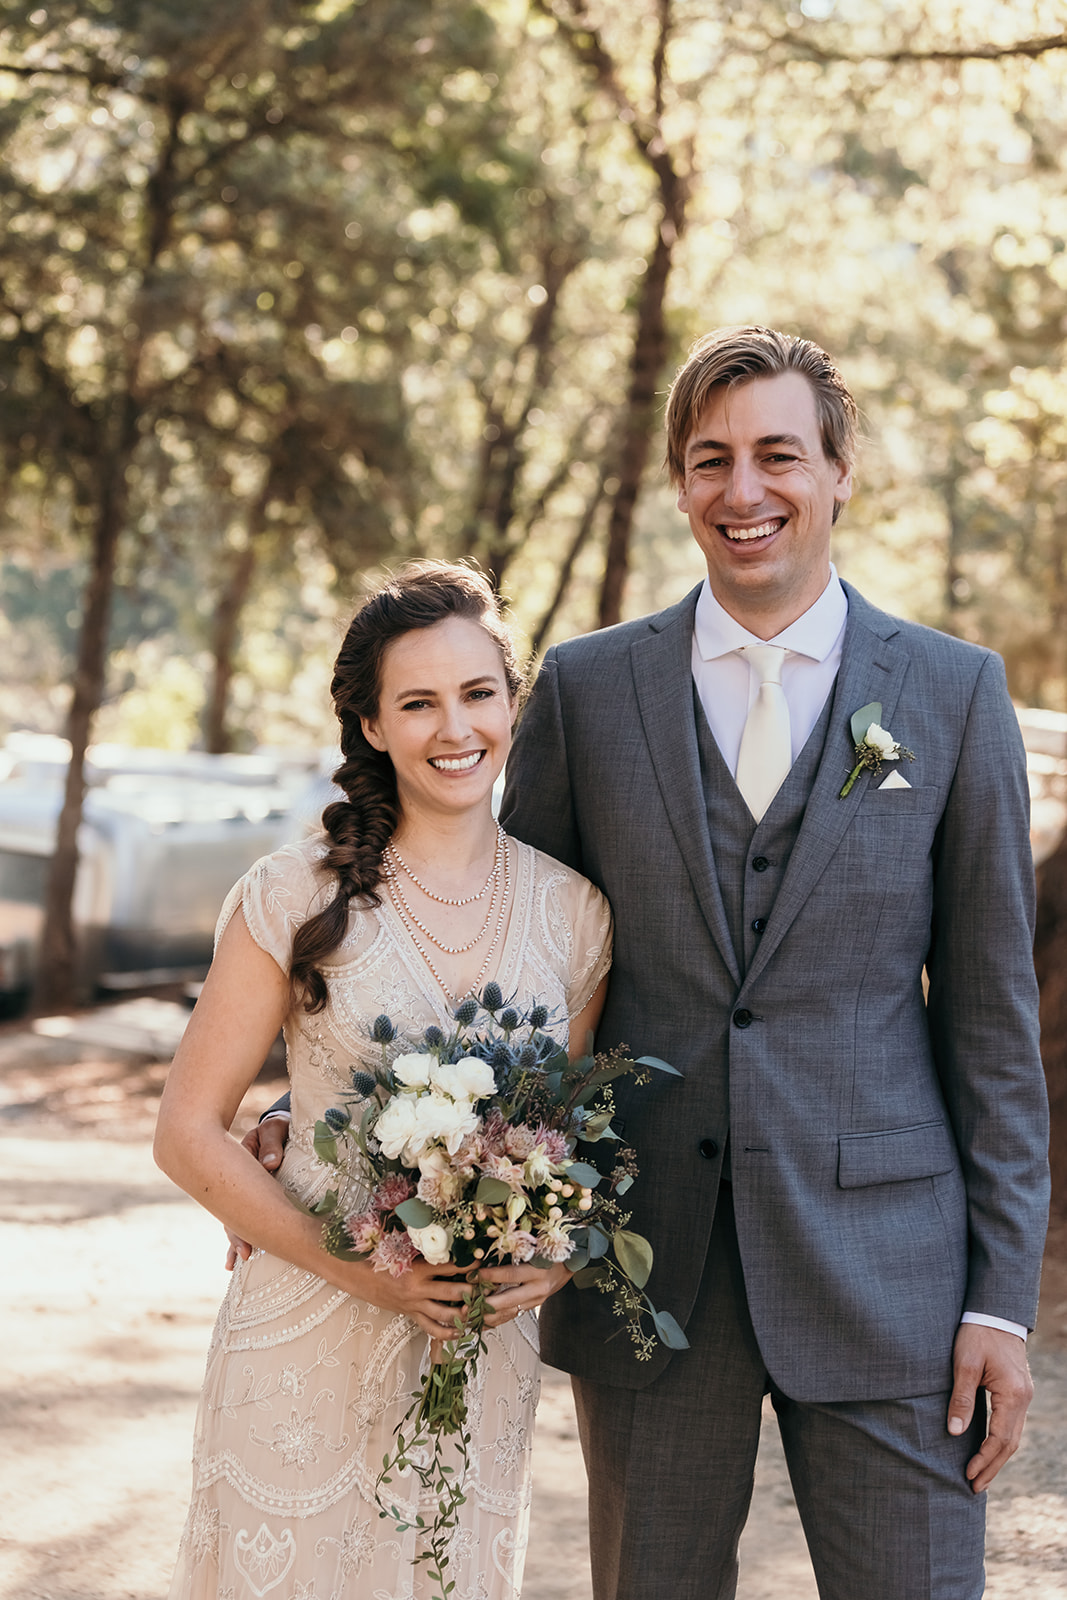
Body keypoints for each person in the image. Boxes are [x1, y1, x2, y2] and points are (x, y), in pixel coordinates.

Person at [252, 327, 1050, 1599]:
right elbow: (503, 947)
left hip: (890, 1274)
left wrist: (997, 1303)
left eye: (778, 454)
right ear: (677, 484)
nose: (744, 491)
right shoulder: (585, 685)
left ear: (838, 469)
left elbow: (991, 1026)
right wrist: (333, 1102)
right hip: (642, 1264)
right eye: (710, 460)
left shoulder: (953, 696)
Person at [154, 561, 611, 1600]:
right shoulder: (293, 893)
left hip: (475, 1352)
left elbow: (571, 1143)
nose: (455, 728)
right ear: (371, 725)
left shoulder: (575, 914)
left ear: (511, 702)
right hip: (304, 1336)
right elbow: (186, 1129)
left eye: (477, 693)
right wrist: (364, 1271)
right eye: (417, 702)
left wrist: (564, 1259)